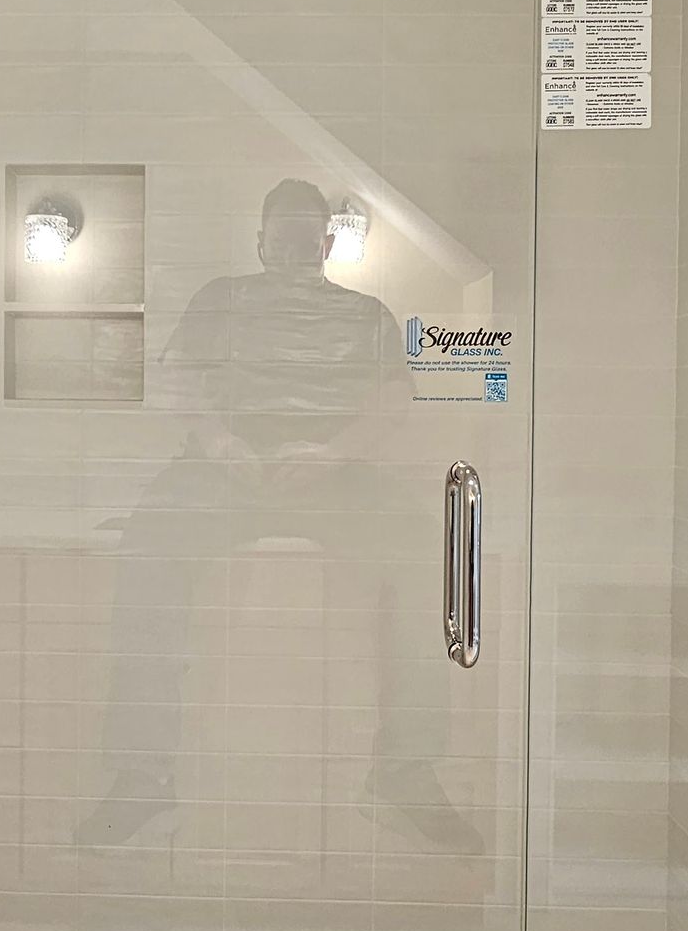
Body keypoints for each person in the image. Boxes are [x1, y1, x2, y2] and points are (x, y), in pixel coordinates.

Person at [84, 178, 480, 853]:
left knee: (425, 553)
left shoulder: (365, 314)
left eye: (306, 233)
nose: (295, 244)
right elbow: (180, 379)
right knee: (149, 546)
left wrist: (334, 452)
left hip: (331, 477)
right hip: (225, 471)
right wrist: (221, 443)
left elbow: (393, 398)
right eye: (286, 232)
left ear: (324, 243)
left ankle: (405, 773)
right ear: (263, 243)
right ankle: (143, 776)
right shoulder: (222, 298)